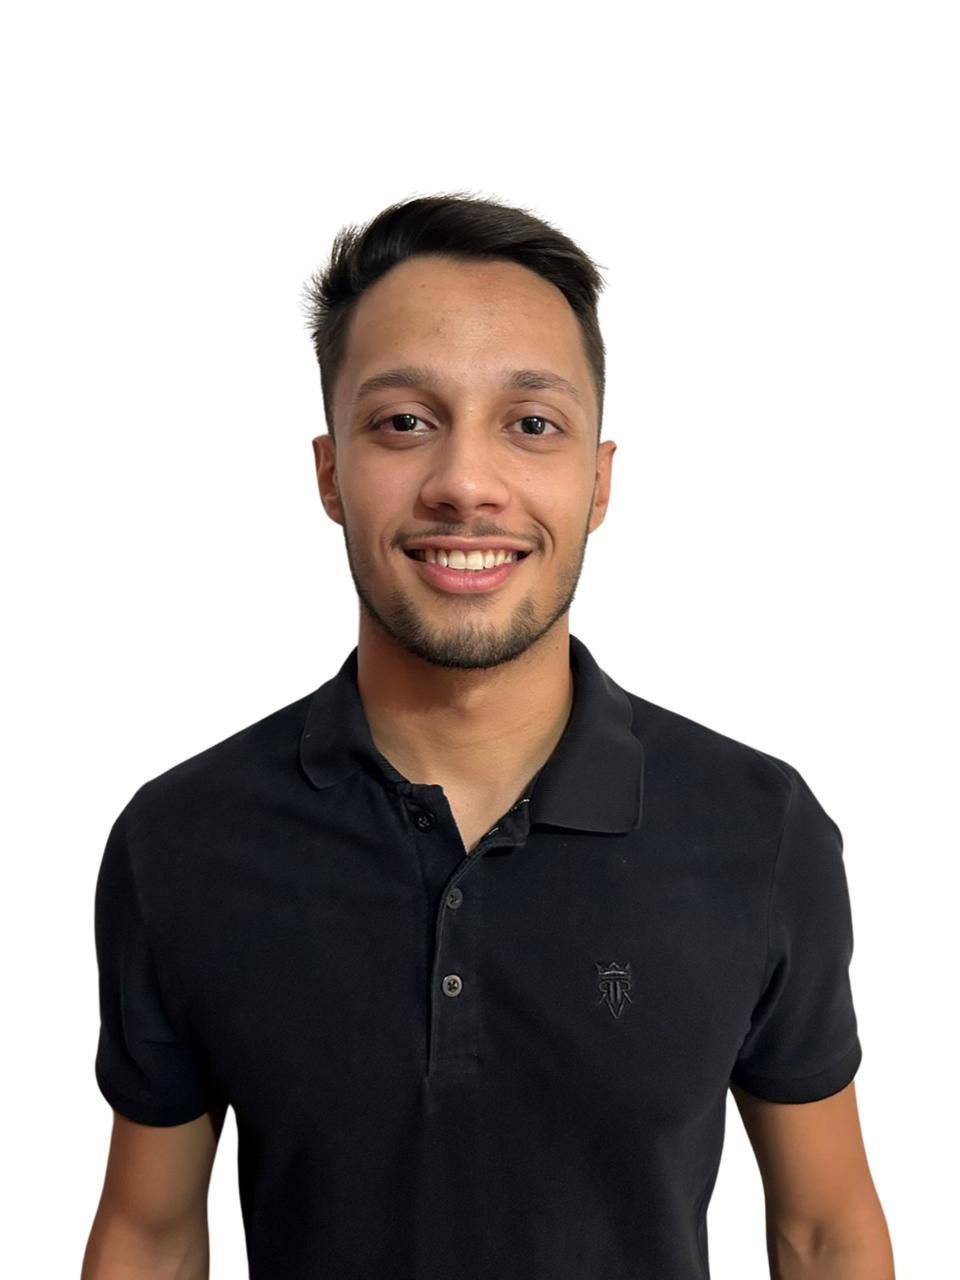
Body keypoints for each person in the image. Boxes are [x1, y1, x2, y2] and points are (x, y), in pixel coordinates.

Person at [83, 193, 894, 1279]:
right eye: (404, 422)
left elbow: (825, 1232)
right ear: (329, 473)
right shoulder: (182, 840)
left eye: (531, 424)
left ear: (598, 480)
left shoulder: (759, 830)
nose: (465, 484)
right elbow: (148, 1234)